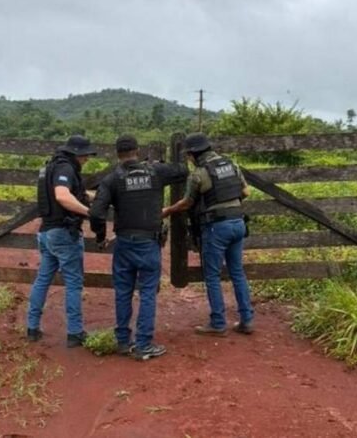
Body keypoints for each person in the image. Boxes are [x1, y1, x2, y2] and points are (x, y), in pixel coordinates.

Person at [89, 135, 188, 361]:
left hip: (123, 242)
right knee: (147, 293)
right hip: (148, 242)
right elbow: (183, 170)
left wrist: (101, 236)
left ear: (117, 153)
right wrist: (157, 164)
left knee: (123, 292)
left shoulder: (112, 179)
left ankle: (123, 341)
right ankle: (143, 344)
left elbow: (96, 212)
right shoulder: (155, 173)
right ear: (137, 150)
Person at [162, 133, 255, 336]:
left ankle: (218, 323)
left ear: (194, 154)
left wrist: (167, 211)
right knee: (237, 272)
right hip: (238, 222)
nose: (188, 158)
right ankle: (247, 320)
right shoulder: (231, 165)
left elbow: (187, 202)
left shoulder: (199, 174)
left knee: (212, 275)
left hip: (217, 227)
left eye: (188, 155)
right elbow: (246, 192)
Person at [26, 135, 96, 348]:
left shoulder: (52, 166)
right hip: (64, 233)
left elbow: (78, 193)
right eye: (85, 155)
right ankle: (75, 332)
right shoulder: (65, 169)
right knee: (74, 282)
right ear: (77, 153)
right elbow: (63, 196)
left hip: (47, 232)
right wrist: (90, 213)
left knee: (43, 279)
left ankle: (32, 327)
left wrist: (103, 196)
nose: (87, 159)